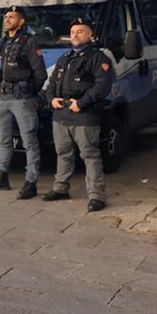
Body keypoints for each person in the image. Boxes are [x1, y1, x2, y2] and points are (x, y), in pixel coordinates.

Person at [42, 17, 114, 212]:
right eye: (73, 32)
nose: (75, 35)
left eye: (80, 31)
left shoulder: (98, 58)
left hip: (85, 114)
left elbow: (103, 86)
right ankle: (60, 188)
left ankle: (97, 196)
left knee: (90, 155)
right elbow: (51, 85)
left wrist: (81, 103)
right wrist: (51, 100)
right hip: (61, 114)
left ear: (90, 35)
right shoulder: (64, 57)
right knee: (63, 154)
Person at [0, 6, 48, 198]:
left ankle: (31, 182)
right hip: (3, 98)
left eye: (12, 17)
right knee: (4, 139)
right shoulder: (5, 42)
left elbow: (40, 74)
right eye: (6, 17)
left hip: (22, 99)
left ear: (21, 22)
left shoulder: (29, 41)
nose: (7, 20)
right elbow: (2, 70)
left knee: (29, 141)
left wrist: (29, 93)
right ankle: (2, 178)